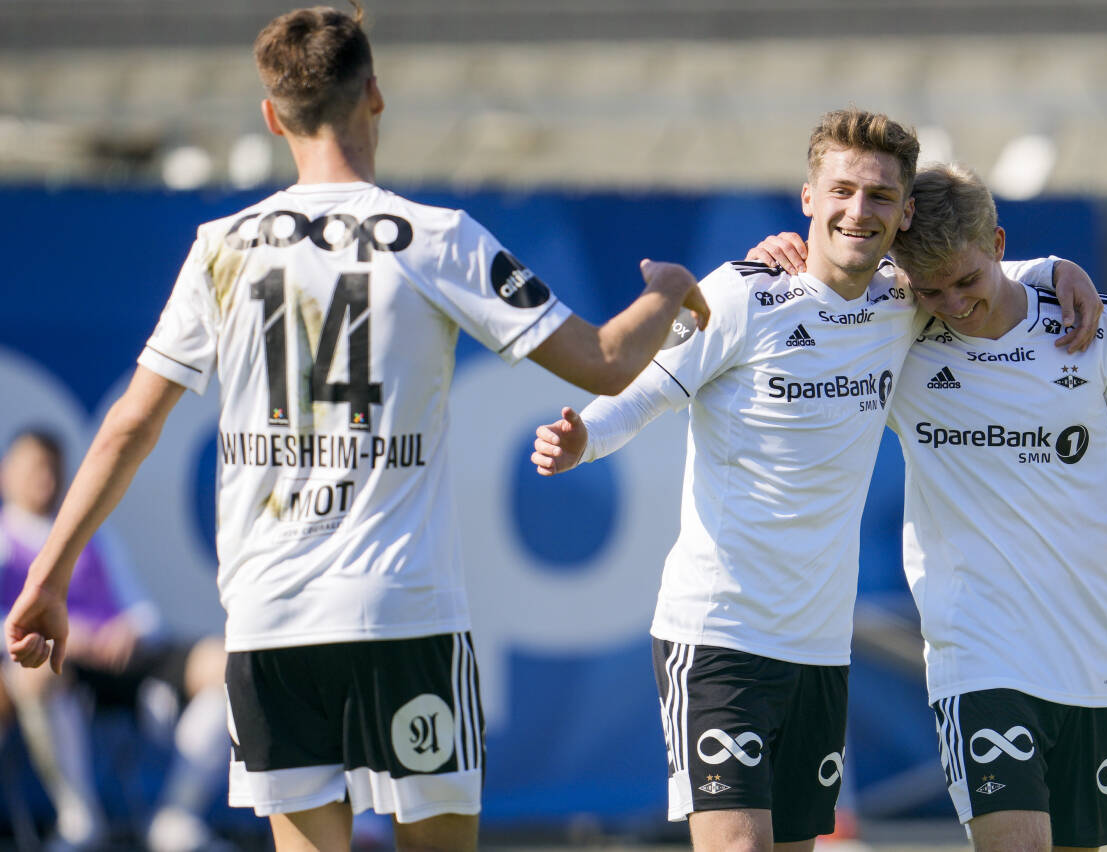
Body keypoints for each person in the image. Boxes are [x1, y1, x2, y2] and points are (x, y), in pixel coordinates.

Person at [2, 5, 708, 852]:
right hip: (401, 614)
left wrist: (47, 576)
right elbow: (601, 361)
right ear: (375, 94)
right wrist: (667, 289)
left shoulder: (221, 247)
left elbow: (127, 429)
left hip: (270, 624)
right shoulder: (437, 237)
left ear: (271, 116)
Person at [529, 107, 1100, 851]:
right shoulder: (743, 293)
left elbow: (981, 273)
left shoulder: (905, 302)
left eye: (880, 197)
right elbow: (645, 388)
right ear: (809, 197)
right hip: (719, 637)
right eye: (843, 190)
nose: (858, 210)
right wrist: (584, 438)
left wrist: (1058, 269)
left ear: (903, 215)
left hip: (820, 650)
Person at [747, 162, 1107, 851]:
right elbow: (812, 302)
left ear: (1001, 246)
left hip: (1089, 660)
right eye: (931, 289)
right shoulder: (898, 332)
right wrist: (777, 262)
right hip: (977, 656)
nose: (951, 304)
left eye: (967, 282)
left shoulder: (1090, 324)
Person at [0, 429, 229, 852]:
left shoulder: (89, 534)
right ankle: (79, 820)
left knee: (227, 669)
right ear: (5, 475)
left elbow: (141, 611)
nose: (45, 481)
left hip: (123, 659)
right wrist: (58, 635)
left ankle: (177, 816)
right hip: (53, 661)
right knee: (32, 674)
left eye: (52, 469)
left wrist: (129, 630)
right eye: (34, 469)